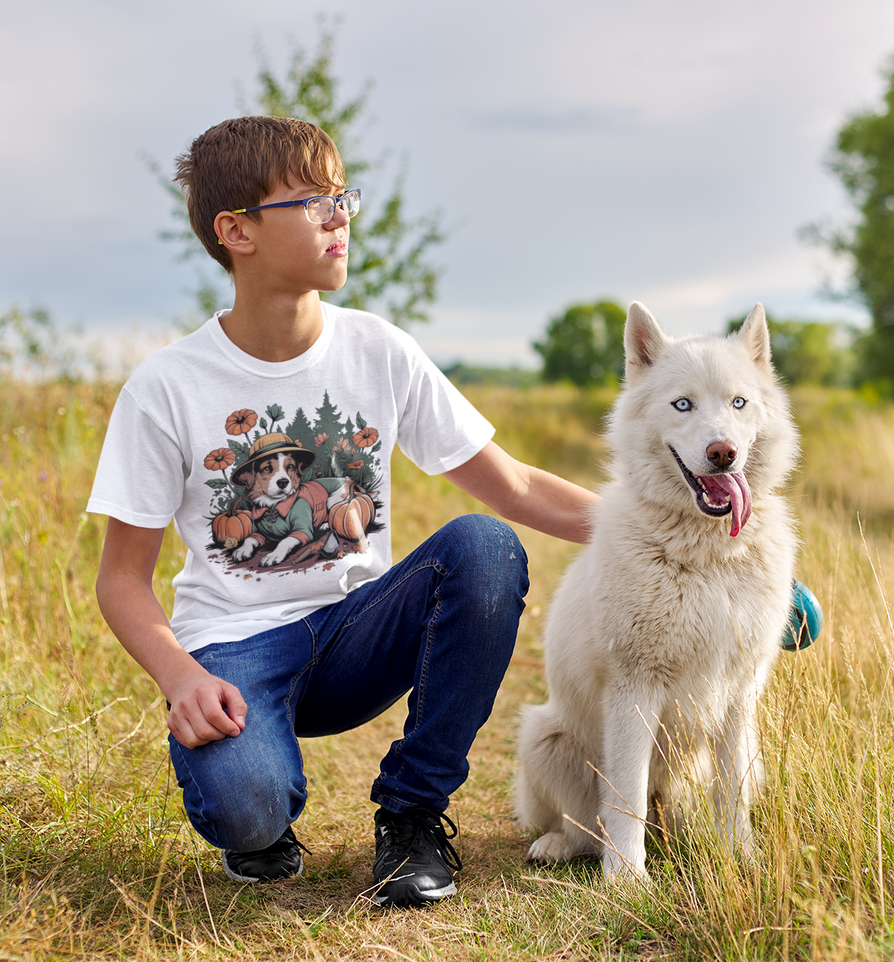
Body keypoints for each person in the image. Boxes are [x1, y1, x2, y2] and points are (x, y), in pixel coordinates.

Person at [89, 116, 596, 909]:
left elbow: (520, 489)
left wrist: (685, 533)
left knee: (484, 546)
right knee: (247, 810)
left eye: (343, 195)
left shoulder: (378, 351)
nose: (341, 216)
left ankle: (412, 814)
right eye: (314, 200)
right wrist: (181, 677)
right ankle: (260, 813)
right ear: (236, 231)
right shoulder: (167, 386)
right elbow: (122, 581)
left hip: (357, 633)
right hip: (234, 651)